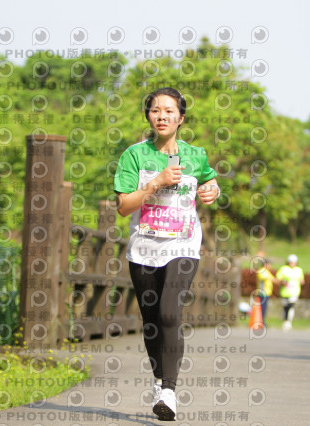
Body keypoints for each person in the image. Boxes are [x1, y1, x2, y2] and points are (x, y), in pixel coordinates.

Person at [113, 87, 220, 421]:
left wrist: (212, 190)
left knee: (170, 312)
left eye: (169, 111)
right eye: (155, 110)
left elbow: (209, 181)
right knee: (152, 321)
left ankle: (170, 391)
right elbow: (123, 207)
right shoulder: (133, 155)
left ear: (181, 118)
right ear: (148, 116)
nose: (162, 116)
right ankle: (160, 381)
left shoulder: (195, 155)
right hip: (144, 248)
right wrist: (155, 183)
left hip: (183, 246)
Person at [276, 254, 305, 331]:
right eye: (291, 262)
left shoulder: (299, 270)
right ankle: (285, 321)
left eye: (294, 262)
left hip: (294, 291)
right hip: (285, 291)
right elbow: (278, 278)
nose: (292, 264)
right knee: (285, 307)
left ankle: (289, 322)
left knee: (291, 305)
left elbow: (302, 280)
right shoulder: (284, 269)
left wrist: (301, 281)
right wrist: (283, 282)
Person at [255, 257, 278, 325]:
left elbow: (273, 279)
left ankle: (262, 321)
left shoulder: (266, 271)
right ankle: (260, 321)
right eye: (269, 264)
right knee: (262, 308)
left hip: (266, 293)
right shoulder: (261, 271)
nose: (270, 266)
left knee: (264, 308)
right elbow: (269, 278)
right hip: (262, 293)